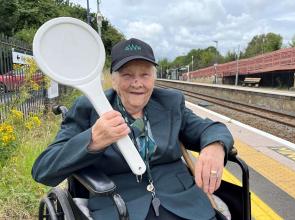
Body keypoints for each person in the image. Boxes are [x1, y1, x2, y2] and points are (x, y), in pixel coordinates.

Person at [32, 38, 234, 220]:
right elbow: (43, 170)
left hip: (184, 203)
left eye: (145, 75)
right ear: (114, 80)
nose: (137, 83)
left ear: (154, 78)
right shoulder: (88, 108)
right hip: (120, 206)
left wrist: (215, 145)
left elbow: (210, 129)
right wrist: (93, 140)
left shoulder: (170, 103)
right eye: (127, 75)